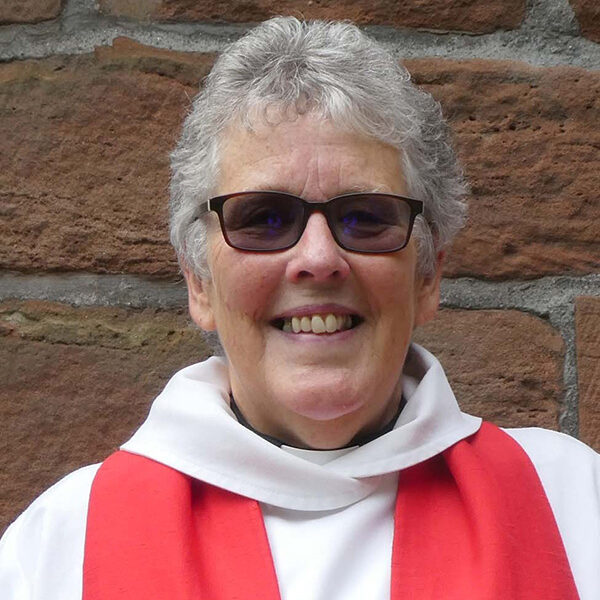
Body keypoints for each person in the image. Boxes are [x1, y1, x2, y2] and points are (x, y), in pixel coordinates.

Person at [1, 16, 599, 600]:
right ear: (198, 281)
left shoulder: (572, 504)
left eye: (365, 217)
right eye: (262, 218)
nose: (318, 258)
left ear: (427, 275)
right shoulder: (59, 549)